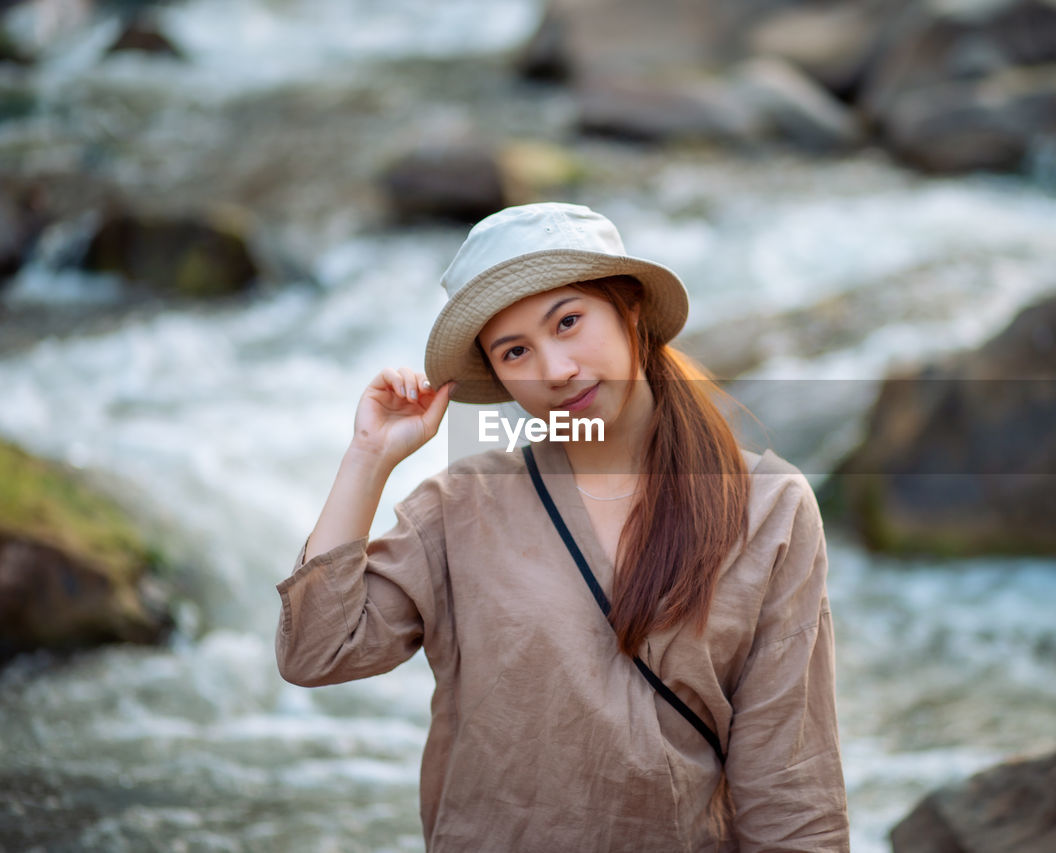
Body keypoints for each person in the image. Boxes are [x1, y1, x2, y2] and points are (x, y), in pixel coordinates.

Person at [274, 202, 849, 851]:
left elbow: (792, 790)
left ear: (630, 308)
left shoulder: (768, 508)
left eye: (569, 321)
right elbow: (315, 651)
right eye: (516, 350)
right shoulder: (463, 504)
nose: (554, 368)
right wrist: (368, 458)